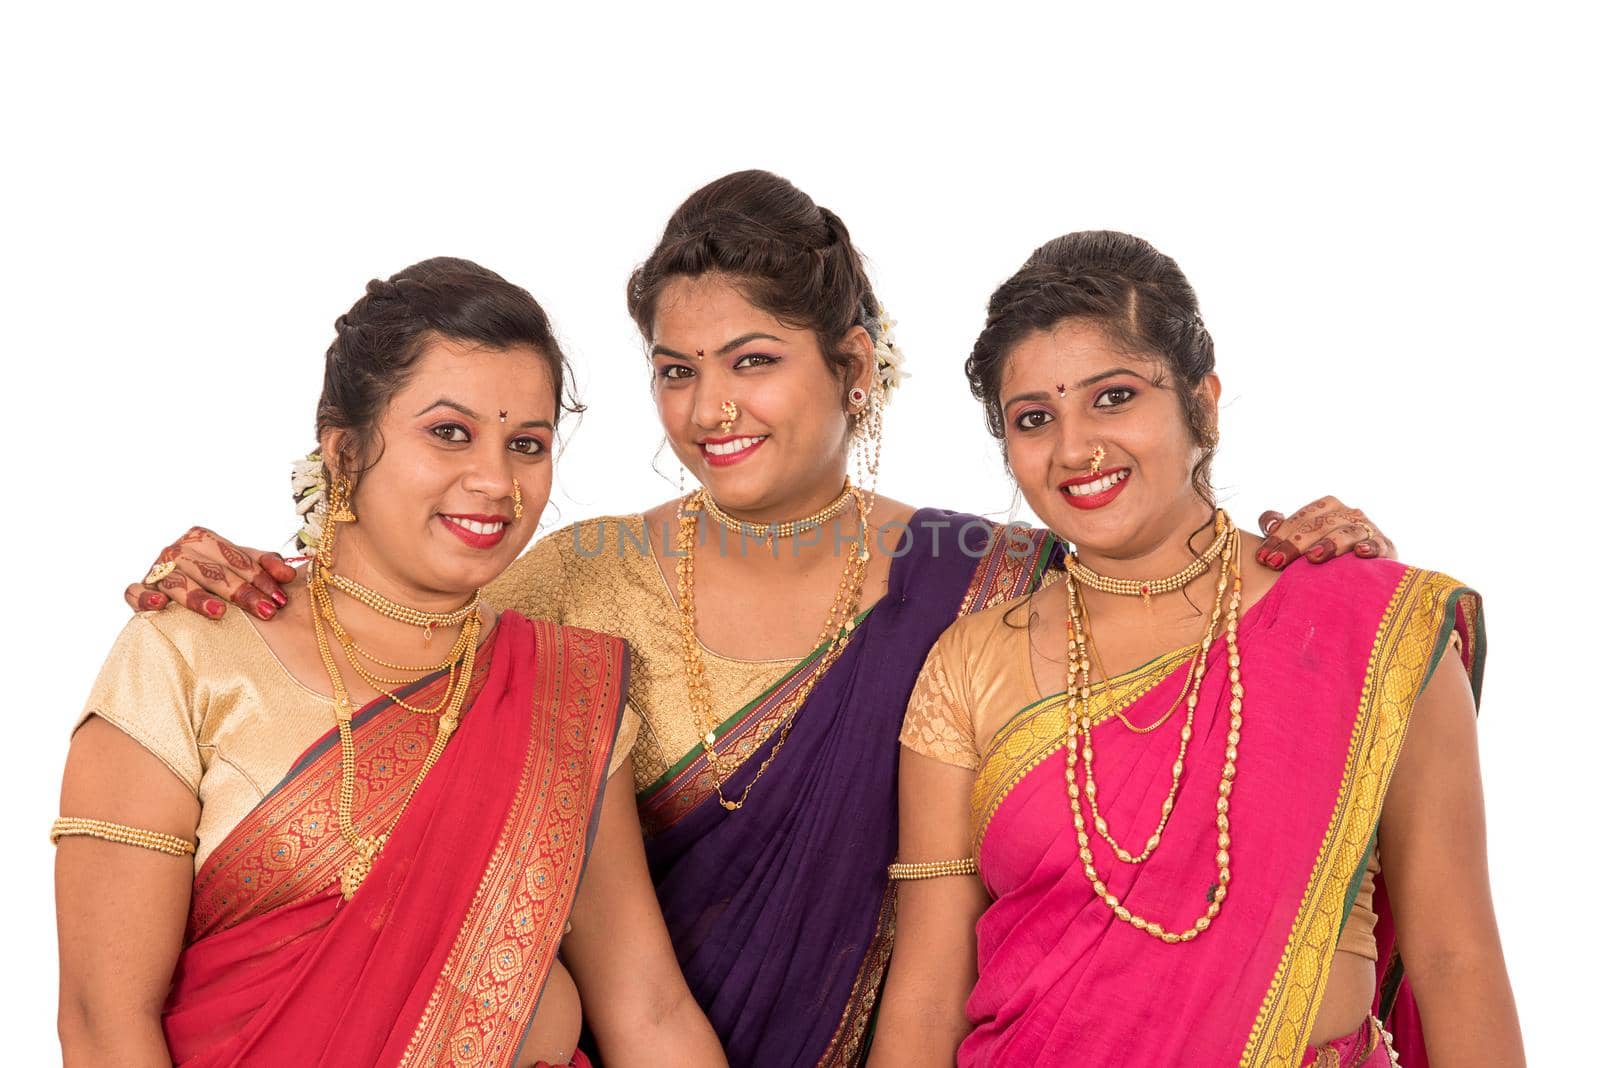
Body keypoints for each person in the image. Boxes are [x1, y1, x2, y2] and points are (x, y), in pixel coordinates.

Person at [122, 175, 1391, 1067]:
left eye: (752, 360)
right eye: (676, 371)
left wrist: (1315, 553)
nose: (709, 409)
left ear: (851, 365)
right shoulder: (572, 582)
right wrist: (251, 575)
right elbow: (384, 648)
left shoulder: (996, 574)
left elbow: (1175, 600)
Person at [55, 258, 726, 1068]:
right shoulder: (188, 654)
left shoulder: (565, 692)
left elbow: (647, 1009)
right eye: (449, 432)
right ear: (344, 450)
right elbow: (102, 1023)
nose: (494, 480)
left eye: (528, 444)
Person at [880, 231, 1523, 1066]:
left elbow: (1455, 959)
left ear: (1203, 403)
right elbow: (931, 990)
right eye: (1034, 419)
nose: (1075, 448)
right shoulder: (968, 667)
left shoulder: (1370, 626)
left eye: (1113, 398)